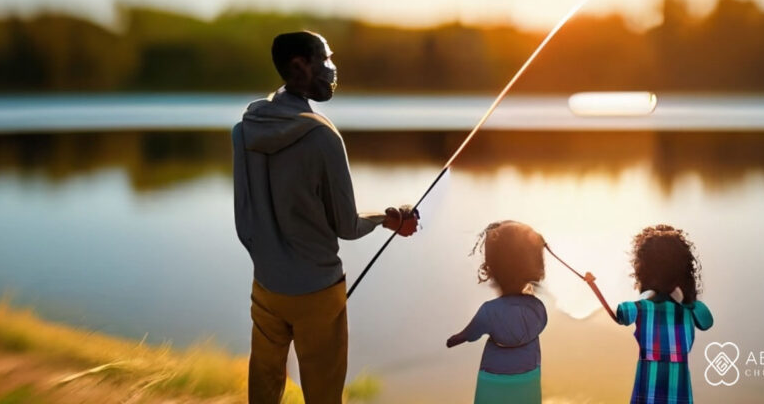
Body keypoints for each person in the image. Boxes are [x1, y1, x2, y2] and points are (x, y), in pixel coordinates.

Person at [232, 30, 417, 404]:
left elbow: (245, 220)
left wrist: (271, 261)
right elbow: (346, 227)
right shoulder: (323, 138)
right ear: (300, 66)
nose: (333, 70)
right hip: (317, 292)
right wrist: (388, 218)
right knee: (324, 393)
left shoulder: (244, 129)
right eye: (326, 59)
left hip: (266, 286)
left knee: (264, 387)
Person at [590, 224, 713, 404]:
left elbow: (621, 313)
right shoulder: (687, 310)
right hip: (679, 392)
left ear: (643, 273)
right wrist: (687, 297)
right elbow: (707, 321)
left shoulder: (643, 308)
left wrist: (646, 296)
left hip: (647, 392)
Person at [447, 221, 548, 404]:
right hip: (529, 375)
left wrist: (454, 339)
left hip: (494, 377)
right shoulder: (538, 308)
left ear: (491, 270)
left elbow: (469, 334)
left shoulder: (489, 311)